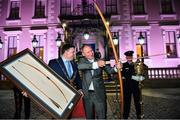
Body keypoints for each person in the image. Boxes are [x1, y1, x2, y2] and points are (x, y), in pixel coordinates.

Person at [78, 45, 121, 119]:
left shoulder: (99, 60)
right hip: (87, 95)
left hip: (99, 94)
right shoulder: (82, 61)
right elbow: (80, 66)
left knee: (102, 116)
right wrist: (96, 64)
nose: (91, 53)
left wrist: (117, 68)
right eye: (88, 52)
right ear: (83, 54)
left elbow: (110, 70)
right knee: (89, 117)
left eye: (91, 51)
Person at [48, 43, 83, 118]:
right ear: (66, 52)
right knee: (57, 116)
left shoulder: (74, 63)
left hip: (70, 96)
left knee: (68, 115)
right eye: (72, 52)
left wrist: (80, 88)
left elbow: (77, 78)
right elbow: (47, 78)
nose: (74, 54)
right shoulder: (53, 63)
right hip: (57, 96)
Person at [121, 50, 146, 119]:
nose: (129, 57)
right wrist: (133, 77)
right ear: (126, 57)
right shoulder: (123, 65)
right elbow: (122, 75)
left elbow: (142, 75)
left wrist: (141, 65)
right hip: (127, 87)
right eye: (128, 56)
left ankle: (139, 115)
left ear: (132, 57)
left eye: (130, 56)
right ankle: (125, 116)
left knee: (138, 102)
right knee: (126, 102)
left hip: (135, 87)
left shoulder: (136, 65)